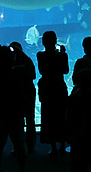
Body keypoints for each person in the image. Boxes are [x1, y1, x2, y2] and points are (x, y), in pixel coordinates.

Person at [0, 46, 26, 172]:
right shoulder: (17, 71)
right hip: (15, 112)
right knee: (19, 143)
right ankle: (22, 168)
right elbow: (29, 65)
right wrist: (17, 50)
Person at [37, 31, 68, 159]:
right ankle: (61, 145)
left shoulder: (40, 55)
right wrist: (62, 54)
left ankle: (53, 148)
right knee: (61, 115)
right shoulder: (63, 55)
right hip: (59, 87)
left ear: (43, 42)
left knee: (48, 116)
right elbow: (65, 71)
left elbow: (41, 70)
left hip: (46, 87)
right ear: (56, 41)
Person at [10, 42, 37, 155]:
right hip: (28, 92)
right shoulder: (27, 63)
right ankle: (30, 147)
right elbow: (34, 75)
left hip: (17, 94)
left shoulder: (11, 65)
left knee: (18, 122)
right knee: (30, 121)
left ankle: (19, 147)